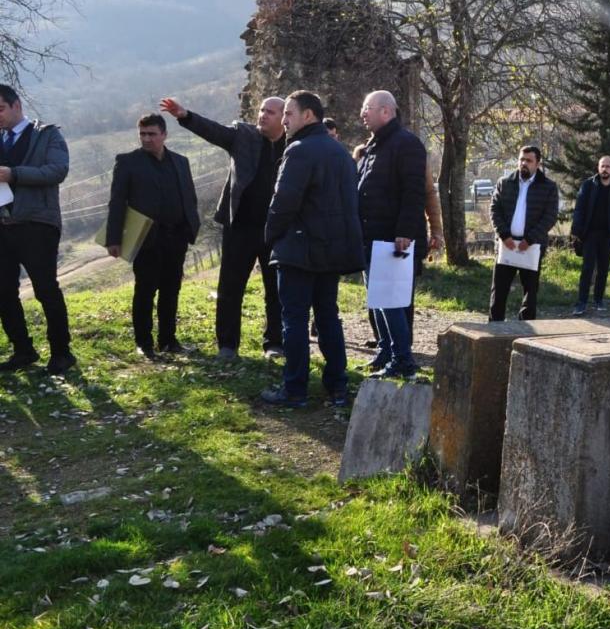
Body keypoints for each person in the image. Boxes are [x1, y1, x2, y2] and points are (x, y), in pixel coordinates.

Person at [160, 95, 287, 361]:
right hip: (239, 226)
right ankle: (227, 345)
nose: (263, 115)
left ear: (285, 118)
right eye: (262, 110)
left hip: (276, 230)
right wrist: (186, 116)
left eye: (271, 112)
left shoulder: (294, 144)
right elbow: (214, 132)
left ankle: (274, 342)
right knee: (230, 287)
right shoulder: (244, 136)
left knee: (276, 289)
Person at [260, 91, 364, 408]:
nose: (284, 119)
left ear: (308, 116)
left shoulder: (299, 151)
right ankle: (337, 388)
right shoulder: (341, 153)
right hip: (331, 250)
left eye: (289, 113)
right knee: (328, 318)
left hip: (299, 249)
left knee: (293, 320)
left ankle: (295, 390)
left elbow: (283, 203)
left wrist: (271, 238)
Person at [105, 114, 200, 359]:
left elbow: (189, 196)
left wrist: (191, 227)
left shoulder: (180, 162)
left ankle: (168, 341)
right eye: (143, 134)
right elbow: (117, 202)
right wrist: (113, 238)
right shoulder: (128, 162)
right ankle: (144, 343)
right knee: (145, 291)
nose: (146, 139)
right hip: (147, 239)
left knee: (171, 289)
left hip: (176, 236)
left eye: (152, 134)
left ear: (164, 134)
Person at [0, 84, 76, 375]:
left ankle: (61, 353)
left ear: (16, 105)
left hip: (37, 224)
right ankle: (22, 350)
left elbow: (57, 171)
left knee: (46, 290)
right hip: (2, 225)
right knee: (3, 291)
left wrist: (14, 174)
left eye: (0, 109)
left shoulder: (47, 135)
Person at [355, 90, 426, 379]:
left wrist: (405, 232)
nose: (362, 113)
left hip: (392, 239)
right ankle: (385, 350)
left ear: (385, 111)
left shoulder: (406, 144)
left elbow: (414, 192)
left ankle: (402, 360)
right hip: (371, 236)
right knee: (378, 299)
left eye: (367, 108)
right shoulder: (374, 146)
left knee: (391, 301)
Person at [489, 145, 559, 321]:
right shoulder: (505, 183)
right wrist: (504, 235)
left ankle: (525, 332)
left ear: (538, 163)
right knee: (499, 291)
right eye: (521, 159)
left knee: (530, 292)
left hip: (532, 246)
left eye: (528, 160)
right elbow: (494, 210)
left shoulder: (548, 187)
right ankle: (495, 328)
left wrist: (530, 239)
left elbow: (550, 217)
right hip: (507, 244)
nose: (524, 164)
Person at [570, 155, 610, 315]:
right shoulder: (588, 185)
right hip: (590, 233)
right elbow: (579, 208)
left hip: (608, 234)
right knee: (587, 268)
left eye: (608, 166)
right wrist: (576, 231)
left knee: (603, 269)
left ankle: (598, 300)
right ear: (598, 168)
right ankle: (581, 302)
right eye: (602, 166)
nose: (605, 169)